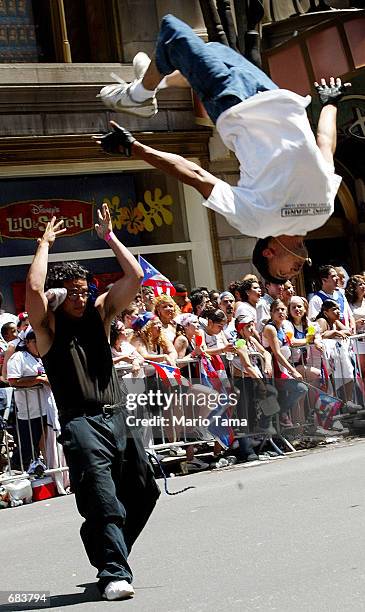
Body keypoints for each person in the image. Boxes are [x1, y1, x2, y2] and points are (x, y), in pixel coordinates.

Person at [97, 14, 349, 282]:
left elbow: (196, 175)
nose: (293, 273)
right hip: (273, 95)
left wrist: (134, 147)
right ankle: (160, 80)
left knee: (172, 32)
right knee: (216, 50)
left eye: (281, 273)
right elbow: (325, 146)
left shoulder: (255, 221)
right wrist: (331, 103)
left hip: (233, 104)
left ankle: (140, 96)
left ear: (269, 253)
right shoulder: (323, 213)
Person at [25, 207, 160, 602]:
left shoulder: (101, 313)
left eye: (86, 290)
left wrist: (110, 238)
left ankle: (105, 548)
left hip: (117, 414)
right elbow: (34, 292)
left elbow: (135, 277)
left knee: (143, 490)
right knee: (103, 497)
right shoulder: (48, 327)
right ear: (61, 294)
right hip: (81, 422)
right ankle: (115, 571)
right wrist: (44, 244)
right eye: (75, 292)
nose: (82, 297)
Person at [262, 299, 307, 428]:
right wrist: (293, 371)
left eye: (282, 309)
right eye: (277, 310)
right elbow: (277, 353)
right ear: (271, 313)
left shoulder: (283, 327)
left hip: (283, 368)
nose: (280, 312)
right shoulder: (270, 328)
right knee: (300, 388)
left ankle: (281, 415)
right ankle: (280, 414)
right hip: (275, 370)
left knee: (299, 390)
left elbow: (290, 343)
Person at [308, 265, 355, 331]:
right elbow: (313, 325)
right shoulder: (316, 300)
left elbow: (350, 315)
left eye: (336, 275)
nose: (337, 278)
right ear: (324, 280)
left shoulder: (341, 294)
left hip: (348, 338)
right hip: (330, 339)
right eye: (333, 276)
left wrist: (352, 328)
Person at [346, 275, 365, 378]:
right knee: (362, 370)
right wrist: (356, 323)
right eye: (360, 284)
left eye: (364, 283)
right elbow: (348, 322)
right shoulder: (349, 305)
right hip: (358, 341)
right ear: (354, 288)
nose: (363, 286)